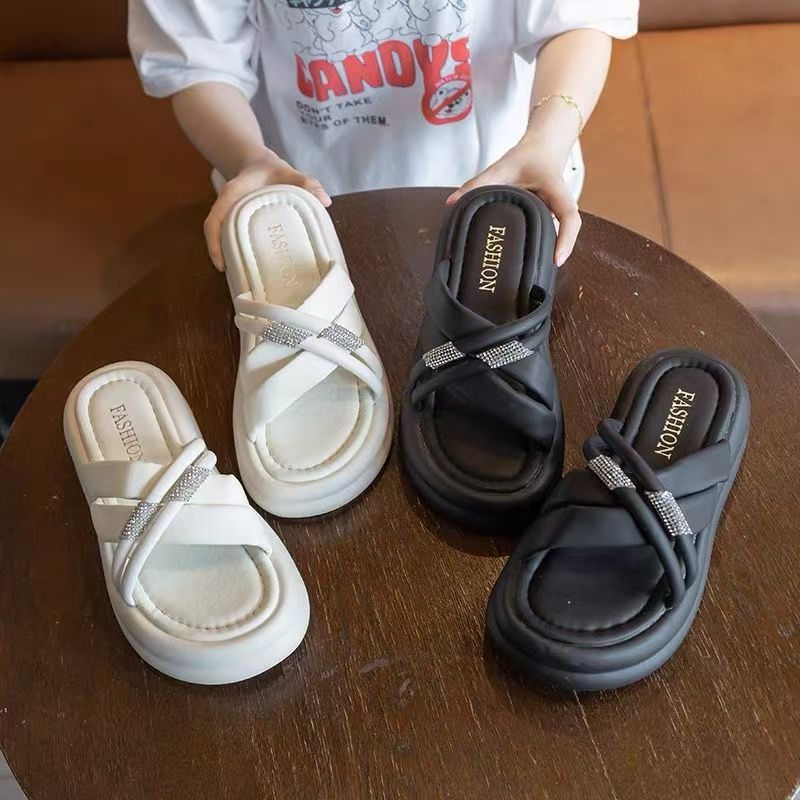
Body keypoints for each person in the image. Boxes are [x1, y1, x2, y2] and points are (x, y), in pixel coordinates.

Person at [129, 0, 638, 271]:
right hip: (300, 192)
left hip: (507, 174)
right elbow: (198, 58)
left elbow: (578, 16)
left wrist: (548, 139)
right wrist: (245, 157)